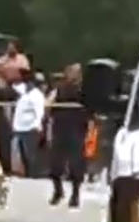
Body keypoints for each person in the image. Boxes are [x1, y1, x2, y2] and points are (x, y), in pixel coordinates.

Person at [46, 63, 88, 207]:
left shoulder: (84, 91)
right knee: (55, 164)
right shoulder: (59, 89)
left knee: (76, 165)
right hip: (60, 129)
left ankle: (75, 195)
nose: (73, 75)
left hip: (76, 130)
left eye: (76, 72)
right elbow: (48, 105)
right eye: (71, 72)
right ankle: (58, 191)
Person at [10, 73, 46, 178]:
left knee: (30, 153)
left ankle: (33, 173)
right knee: (22, 153)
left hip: (30, 128)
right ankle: (26, 172)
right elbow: (14, 87)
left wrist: (37, 125)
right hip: (20, 128)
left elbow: (39, 112)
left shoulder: (37, 95)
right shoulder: (24, 94)